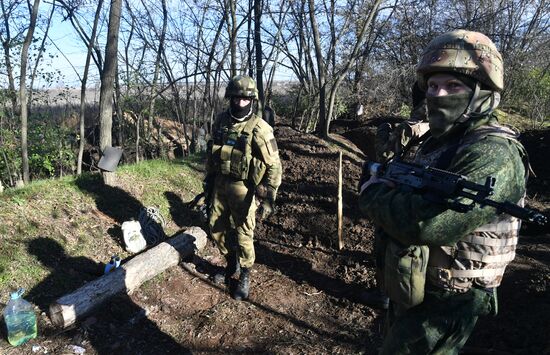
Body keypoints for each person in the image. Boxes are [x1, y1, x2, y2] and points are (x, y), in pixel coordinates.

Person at [359, 30, 528, 354]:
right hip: (417, 283)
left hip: (451, 299)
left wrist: (372, 192)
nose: (438, 95)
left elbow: (427, 223)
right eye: (433, 86)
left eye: (453, 86)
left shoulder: (494, 153)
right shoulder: (442, 141)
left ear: (483, 92)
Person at [204, 75, 282, 301]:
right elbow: (212, 152)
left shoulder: (260, 128)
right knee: (216, 227)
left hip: (244, 188)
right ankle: (231, 264)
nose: (240, 103)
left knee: (244, 233)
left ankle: (245, 274)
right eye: (237, 98)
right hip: (220, 184)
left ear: (253, 100)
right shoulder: (221, 121)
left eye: (246, 99)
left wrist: (269, 196)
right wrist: (208, 180)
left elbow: (274, 165)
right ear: (230, 97)